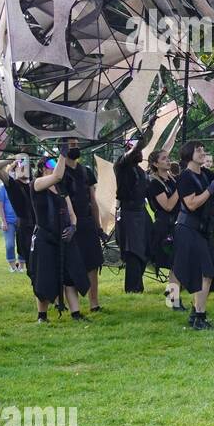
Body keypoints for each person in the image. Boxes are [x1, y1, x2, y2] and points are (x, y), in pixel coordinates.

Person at [29, 154, 91, 322]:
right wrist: (64, 153)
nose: (56, 165)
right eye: (51, 163)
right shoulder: (36, 184)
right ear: (42, 168)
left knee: (71, 276)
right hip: (45, 238)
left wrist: (73, 227)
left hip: (64, 239)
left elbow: (72, 214)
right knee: (45, 277)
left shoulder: (62, 189)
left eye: (57, 162)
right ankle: (42, 316)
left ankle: (76, 314)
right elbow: (57, 175)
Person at [174, 142, 214, 329]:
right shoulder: (185, 178)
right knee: (206, 273)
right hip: (189, 230)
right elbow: (192, 204)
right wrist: (209, 190)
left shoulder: (205, 174)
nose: (203, 153)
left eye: (204, 149)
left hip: (205, 231)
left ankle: (196, 310)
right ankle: (199, 317)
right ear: (189, 155)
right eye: (198, 150)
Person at [61, 138, 104, 311]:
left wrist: (98, 226)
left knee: (92, 263)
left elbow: (93, 201)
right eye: (72, 144)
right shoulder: (58, 174)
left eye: (77, 144)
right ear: (63, 147)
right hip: (67, 224)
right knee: (70, 264)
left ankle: (94, 303)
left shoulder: (86, 171)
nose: (76, 147)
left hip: (87, 224)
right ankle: (69, 304)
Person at [113, 128, 155, 293]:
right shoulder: (121, 165)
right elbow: (135, 150)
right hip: (128, 213)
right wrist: (148, 129)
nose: (140, 152)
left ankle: (138, 285)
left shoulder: (140, 171)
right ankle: (132, 288)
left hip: (141, 212)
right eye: (136, 148)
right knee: (133, 251)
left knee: (145, 249)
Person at [145, 149, 181, 309]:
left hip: (176, 224)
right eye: (164, 158)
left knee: (177, 263)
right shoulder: (154, 183)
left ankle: (171, 293)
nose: (168, 161)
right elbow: (167, 205)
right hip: (164, 227)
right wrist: (181, 189)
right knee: (175, 263)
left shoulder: (171, 180)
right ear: (155, 164)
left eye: (168, 158)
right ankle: (173, 299)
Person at [0, 156, 32, 273]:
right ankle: (13, 265)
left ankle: (22, 266)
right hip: (18, 223)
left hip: (34, 226)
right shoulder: (12, 184)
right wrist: (13, 160)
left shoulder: (35, 184)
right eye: (21, 166)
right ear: (15, 170)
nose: (23, 167)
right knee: (11, 244)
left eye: (26, 166)